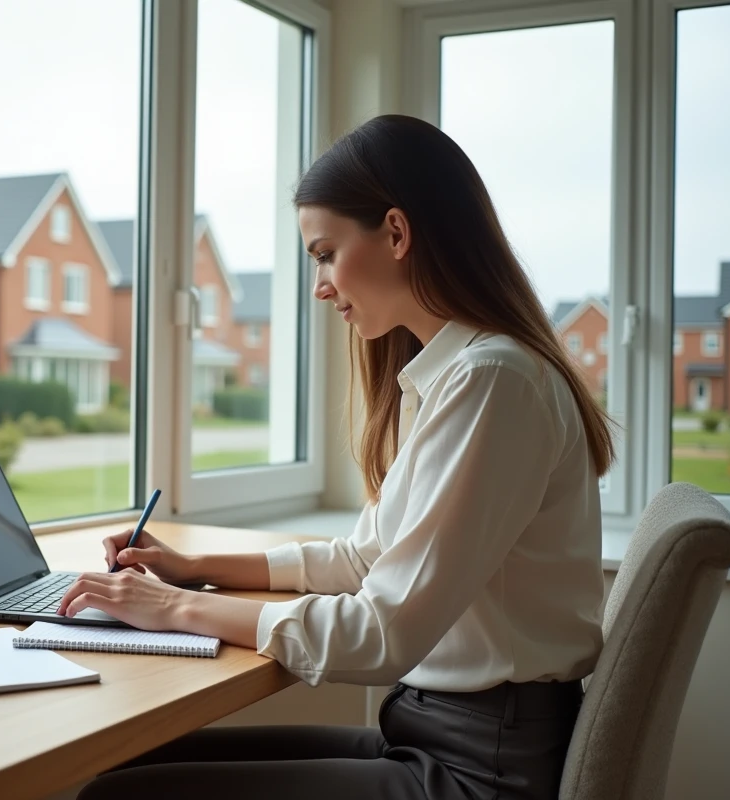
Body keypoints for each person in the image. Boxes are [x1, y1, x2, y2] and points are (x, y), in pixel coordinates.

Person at [58, 113, 614, 800]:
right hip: (438, 735)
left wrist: (174, 609)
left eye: (324, 253)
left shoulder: (492, 381)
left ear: (398, 233)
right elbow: (365, 560)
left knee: (117, 796)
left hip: (482, 770)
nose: (319, 284)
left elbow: (382, 631)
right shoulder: (452, 376)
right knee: (125, 769)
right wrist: (195, 568)